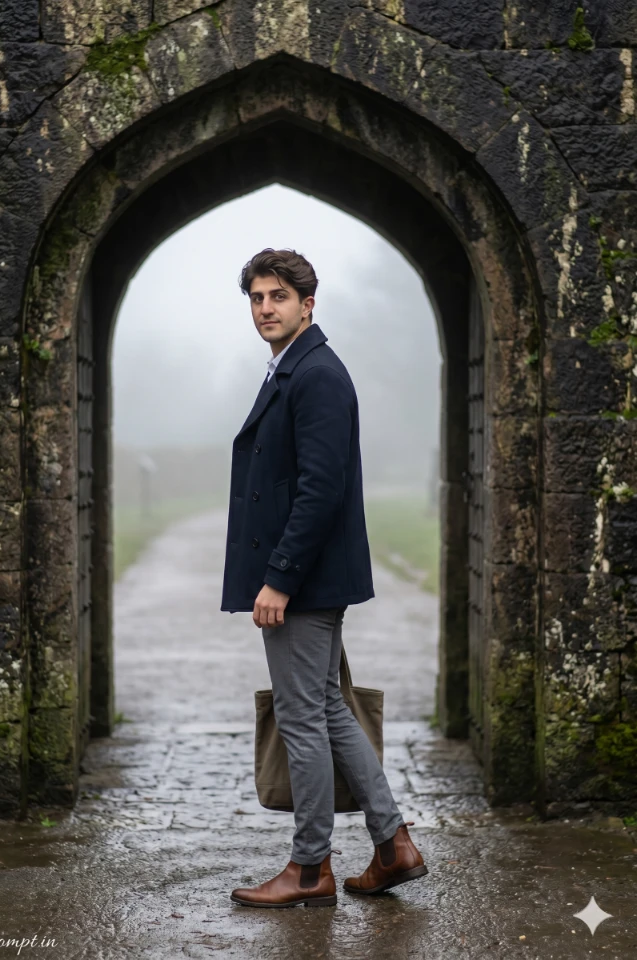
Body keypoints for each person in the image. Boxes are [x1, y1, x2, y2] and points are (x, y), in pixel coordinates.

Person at [221, 248, 427, 908]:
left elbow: (320, 488)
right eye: (255, 297)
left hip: (304, 580)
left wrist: (279, 578)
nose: (264, 309)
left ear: (308, 304)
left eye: (277, 296)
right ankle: (392, 845)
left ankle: (308, 870)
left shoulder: (317, 375)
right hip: (307, 575)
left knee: (302, 715)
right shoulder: (293, 368)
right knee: (327, 708)